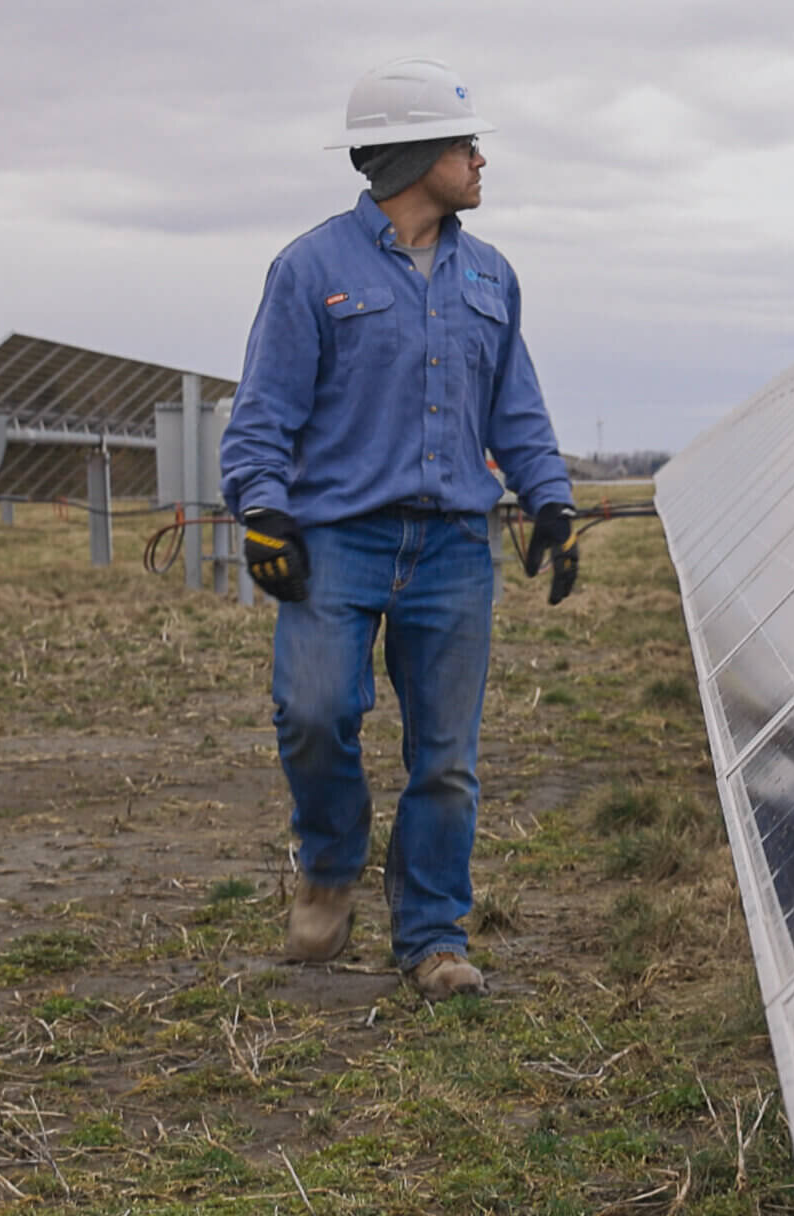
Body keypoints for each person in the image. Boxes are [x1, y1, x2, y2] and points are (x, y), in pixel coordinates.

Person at [220, 56, 578, 999]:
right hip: (338, 541)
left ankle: (431, 939)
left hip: (456, 547)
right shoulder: (309, 270)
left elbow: (518, 411)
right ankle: (331, 861)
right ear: (419, 154)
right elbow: (263, 413)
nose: (479, 161)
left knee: (447, 760)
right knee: (314, 711)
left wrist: (551, 500)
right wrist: (261, 509)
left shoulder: (493, 276)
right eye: (467, 145)